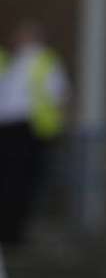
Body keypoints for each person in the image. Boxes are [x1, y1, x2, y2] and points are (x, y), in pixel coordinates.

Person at [0, 20, 69, 247]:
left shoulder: (44, 61)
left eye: (20, 34)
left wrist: (55, 128)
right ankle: (10, 231)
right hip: (13, 129)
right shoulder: (14, 61)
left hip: (28, 128)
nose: (15, 38)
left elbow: (60, 97)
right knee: (13, 183)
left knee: (19, 184)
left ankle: (13, 233)